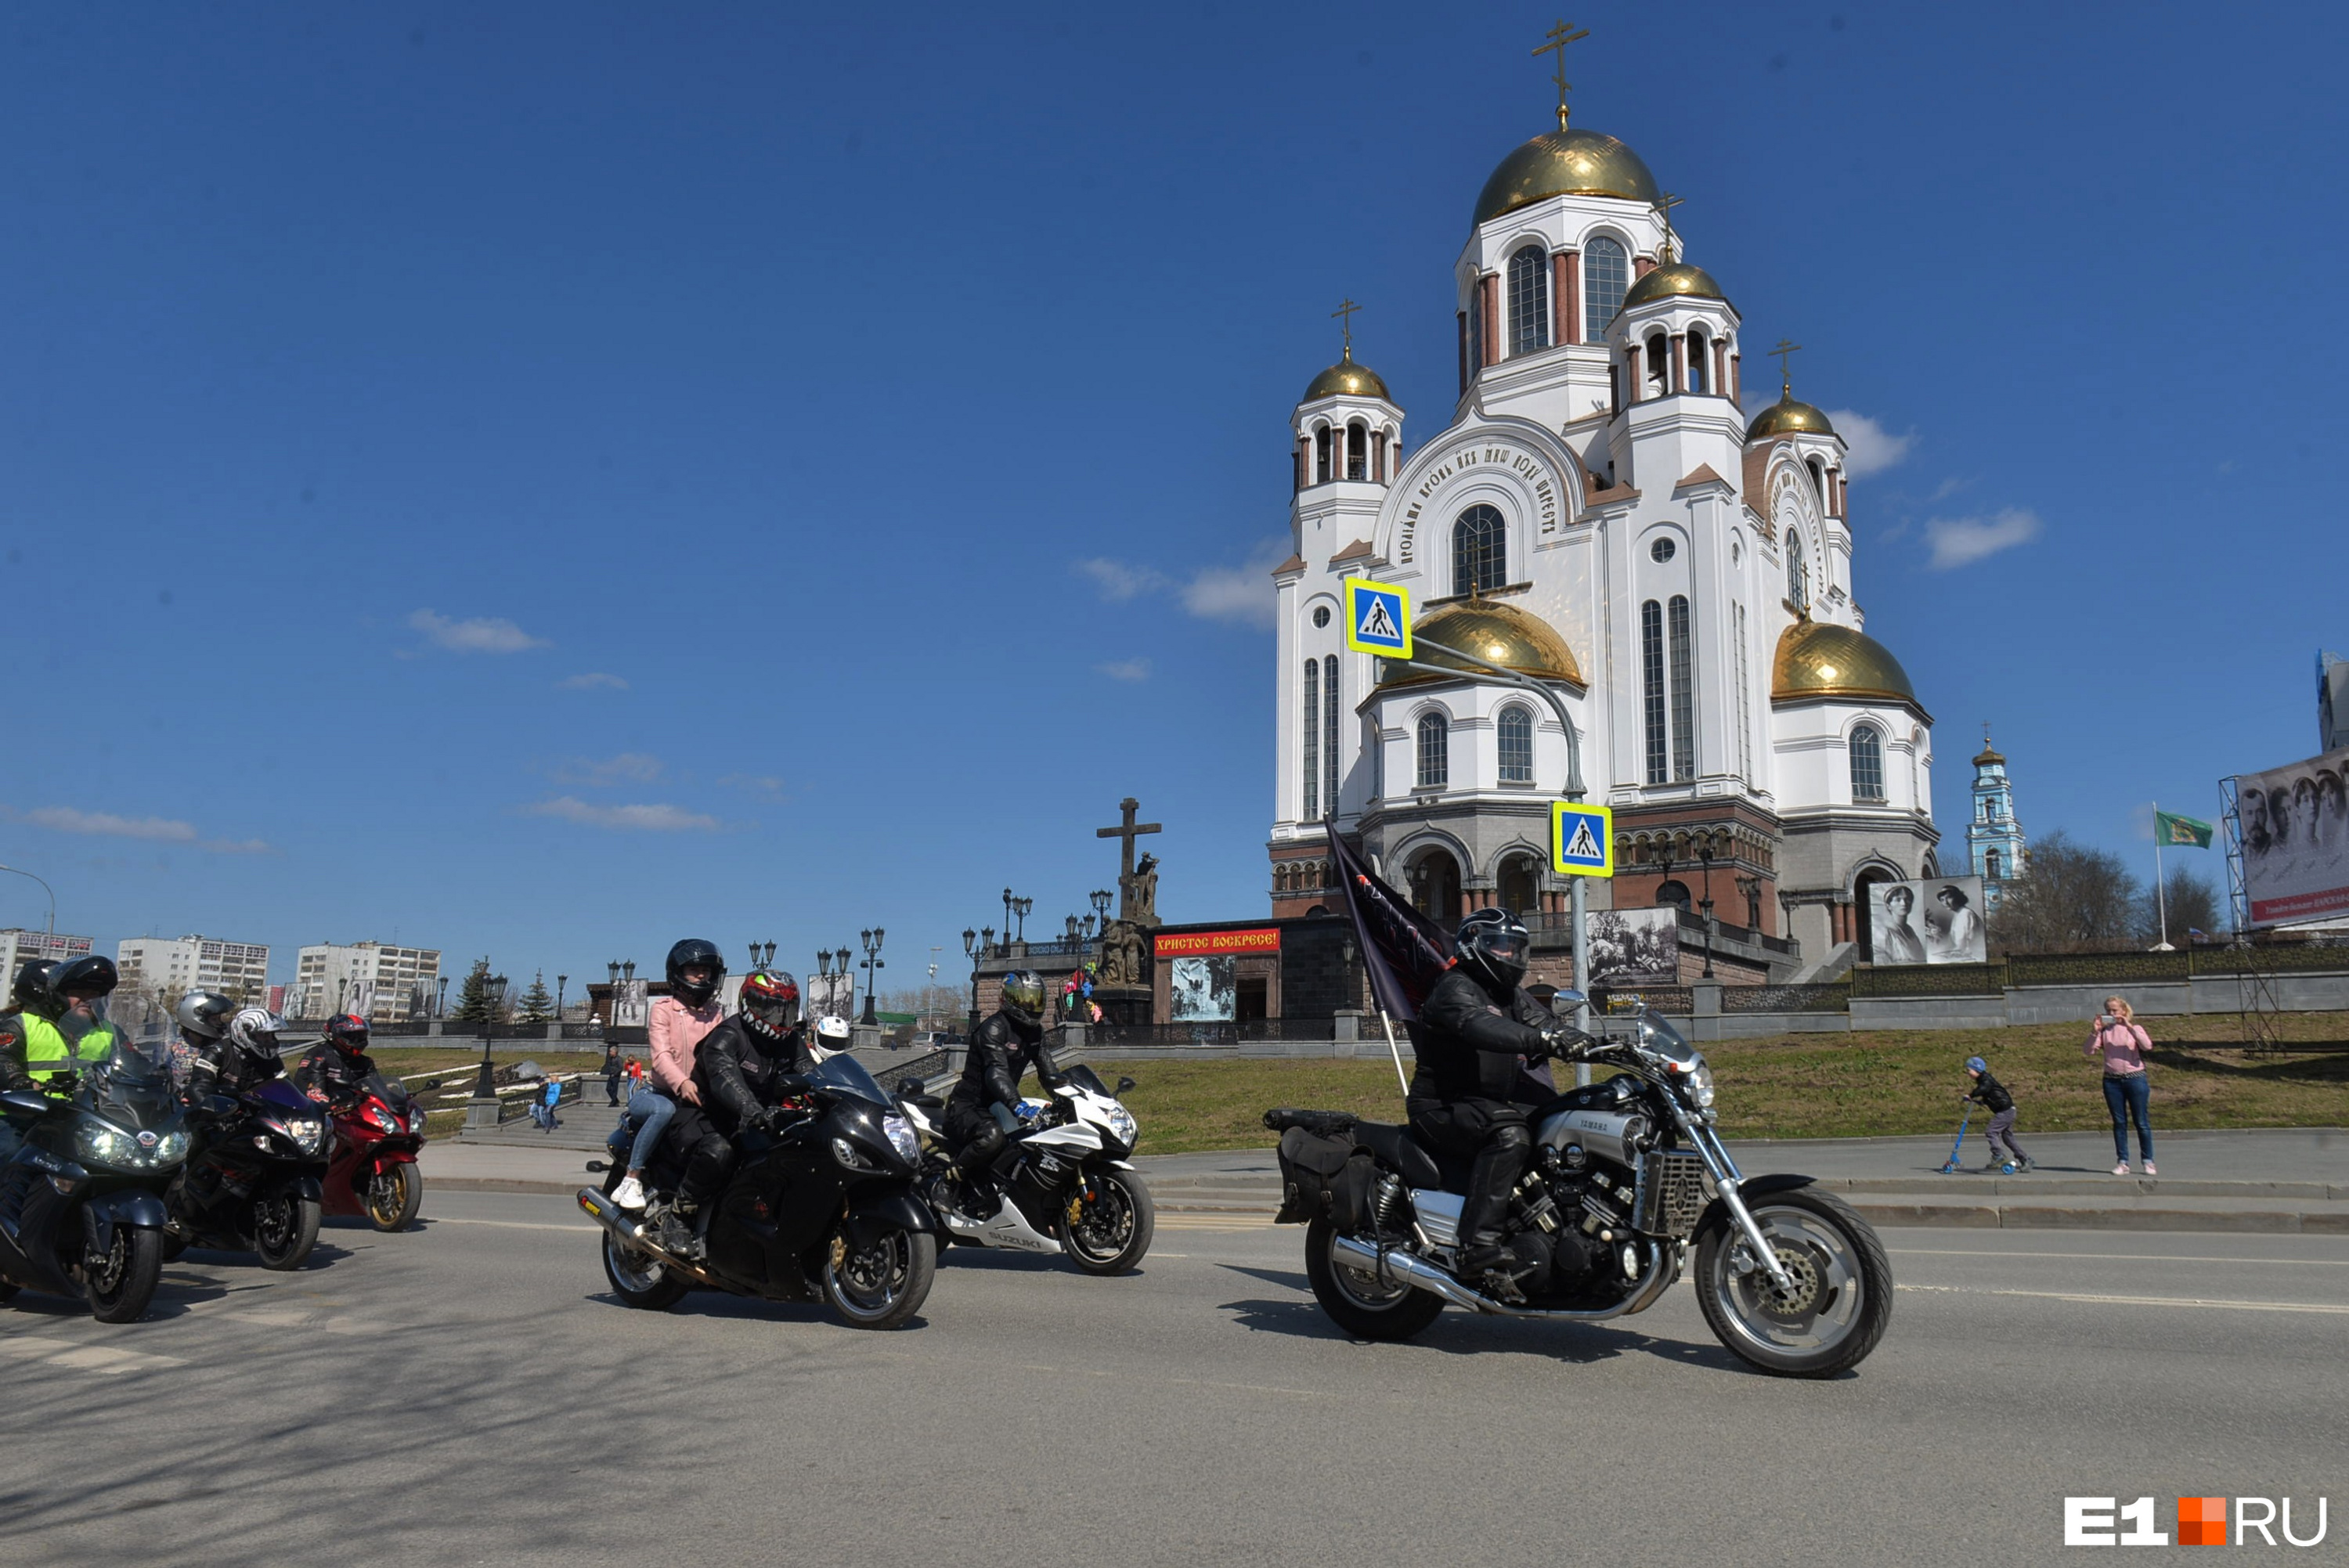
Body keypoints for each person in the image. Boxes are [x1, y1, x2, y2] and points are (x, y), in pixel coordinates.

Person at [1408, 908, 1581, 1282]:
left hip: (1484, 1104)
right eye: (1501, 946)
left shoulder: (1509, 995)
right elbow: (1480, 1025)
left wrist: (1595, 1043)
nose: (1509, 956)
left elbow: (1542, 1022)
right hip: (1443, 1106)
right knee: (1510, 1134)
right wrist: (1542, 1040)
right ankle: (1476, 1245)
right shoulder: (1455, 987)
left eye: (1516, 948)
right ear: (1474, 947)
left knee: (1561, 1121)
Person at [661, 969, 808, 1257]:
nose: (780, 1018)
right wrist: (752, 1110)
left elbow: (813, 1073)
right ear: (750, 1005)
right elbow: (724, 1078)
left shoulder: (790, 1042)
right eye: (773, 1009)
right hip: (707, 1116)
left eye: (786, 1010)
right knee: (720, 1151)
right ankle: (679, 1216)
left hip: (759, 1121)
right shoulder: (729, 1035)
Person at [615, 939, 728, 1216]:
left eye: (707, 970)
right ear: (678, 973)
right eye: (694, 969)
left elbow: (723, 1055)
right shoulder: (663, 1009)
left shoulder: (716, 1014)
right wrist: (682, 1082)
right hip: (657, 1094)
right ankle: (631, 1178)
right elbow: (662, 1057)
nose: (702, 975)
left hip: (696, 1097)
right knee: (664, 1110)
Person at [941, 969, 1060, 1219]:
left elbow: (1049, 1072)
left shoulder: (1035, 1033)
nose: (1032, 1005)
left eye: (1036, 999)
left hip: (999, 1106)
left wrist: (1069, 1099)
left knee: (1034, 1140)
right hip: (968, 1106)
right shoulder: (994, 1028)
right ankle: (948, 1181)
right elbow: (996, 1074)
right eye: (1027, 999)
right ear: (1010, 999)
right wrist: (1018, 1106)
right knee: (992, 1137)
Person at [20, 955, 124, 1101]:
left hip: (88, 1110)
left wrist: (156, 1075)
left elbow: (133, 1063)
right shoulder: (23, 1025)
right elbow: (3, 1058)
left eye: (94, 995)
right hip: (28, 1110)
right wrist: (19, 1082)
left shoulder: (109, 1031)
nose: (87, 1000)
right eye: (79, 993)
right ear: (60, 996)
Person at [2087, 996, 2156, 1175]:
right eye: (2108, 1011)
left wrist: (2130, 1027)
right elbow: (2088, 1051)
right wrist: (2095, 1031)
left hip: (2135, 1078)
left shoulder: (2135, 1028)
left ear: (2124, 1011)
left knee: (2141, 1122)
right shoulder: (2105, 1031)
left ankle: (2148, 1161)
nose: (2112, 1014)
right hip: (2112, 1080)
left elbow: (2147, 1046)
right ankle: (2123, 1162)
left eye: (2115, 1010)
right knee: (2119, 1122)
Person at [186, 1006, 289, 1103]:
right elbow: (200, 1086)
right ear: (242, 1034)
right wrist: (213, 1107)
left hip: (257, 1115)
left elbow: (286, 1087)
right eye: (263, 1034)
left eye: (271, 1035)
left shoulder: (270, 1057)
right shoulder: (217, 1052)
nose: (269, 1040)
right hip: (222, 1116)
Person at [1961, 1054, 2032, 1173]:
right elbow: (1990, 1095)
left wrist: (1970, 1095)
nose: (1968, 1073)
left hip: (2005, 1111)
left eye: (1969, 1070)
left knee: (1991, 1131)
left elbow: (1984, 1089)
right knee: (2007, 1138)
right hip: (2007, 1111)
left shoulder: (1986, 1080)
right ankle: (2025, 1159)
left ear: (1977, 1069)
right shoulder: (1983, 1080)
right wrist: (1981, 1102)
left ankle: (1998, 1156)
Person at [294, 1013, 379, 1107]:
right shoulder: (319, 1057)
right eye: (353, 1037)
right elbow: (308, 1087)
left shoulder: (366, 1062)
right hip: (330, 1110)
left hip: (358, 1109)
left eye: (361, 1036)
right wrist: (329, 1105)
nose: (358, 1041)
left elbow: (378, 1089)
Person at [168, 989, 238, 1096]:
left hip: (207, 1104)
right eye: (214, 1019)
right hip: (173, 1105)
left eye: (219, 1019)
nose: (220, 1024)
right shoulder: (171, 1045)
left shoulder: (220, 1048)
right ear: (196, 1019)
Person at [1878, 885, 1928, 964]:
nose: (1903, 903)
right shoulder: (1886, 932)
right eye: (1898, 900)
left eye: (1907, 899)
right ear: (1889, 906)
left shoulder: (1910, 931)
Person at [1934, 882, 1983, 961]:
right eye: (1942, 900)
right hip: (1962, 957)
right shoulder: (1958, 915)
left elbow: (1974, 941)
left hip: (1973, 958)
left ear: (1958, 898)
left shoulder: (1967, 914)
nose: (1945, 902)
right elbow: (1953, 942)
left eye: (1949, 898)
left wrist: (1960, 953)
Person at [602, 1042, 623, 1107]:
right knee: (608, 1088)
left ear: (615, 1052)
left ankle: (613, 1102)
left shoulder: (619, 1059)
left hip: (615, 1076)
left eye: (611, 1052)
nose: (610, 1053)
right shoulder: (611, 1059)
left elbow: (620, 1068)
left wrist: (615, 1073)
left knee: (614, 1089)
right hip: (611, 1075)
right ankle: (616, 1100)